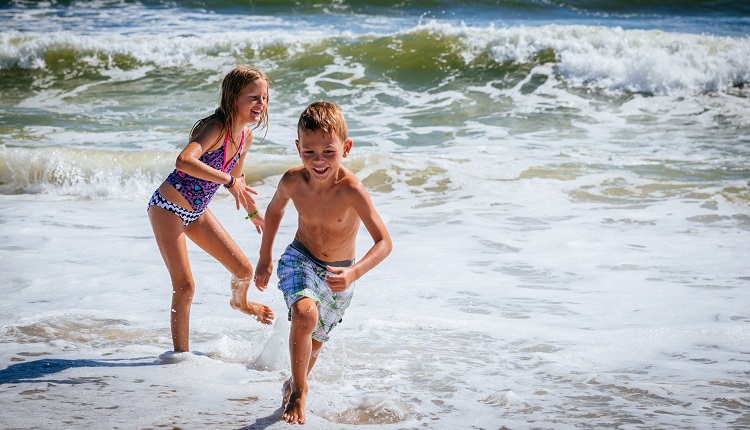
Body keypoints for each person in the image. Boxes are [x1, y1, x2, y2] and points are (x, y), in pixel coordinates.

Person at [254, 101, 392, 424]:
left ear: (345, 148)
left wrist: (354, 272)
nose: (318, 161)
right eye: (309, 152)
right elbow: (274, 211)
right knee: (304, 318)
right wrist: (265, 257)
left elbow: (384, 242)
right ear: (298, 147)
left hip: (339, 278)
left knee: (312, 346)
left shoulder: (352, 190)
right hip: (300, 259)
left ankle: (294, 385)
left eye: (328, 152)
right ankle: (301, 394)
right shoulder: (293, 182)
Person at [148, 65, 274, 354]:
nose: (261, 104)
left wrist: (253, 212)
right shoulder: (216, 128)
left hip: (197, 212)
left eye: (264, 98)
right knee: (186, 287)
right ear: (233, 99)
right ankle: (181, 357)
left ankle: (241, 304)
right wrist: (229, 180)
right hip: (167, 207)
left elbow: (237, 180)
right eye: (253, 97)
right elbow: (184, 160)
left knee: (243, 270)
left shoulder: (245, 138)